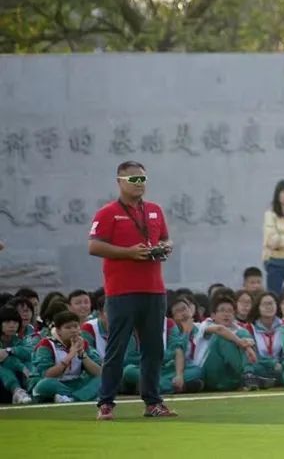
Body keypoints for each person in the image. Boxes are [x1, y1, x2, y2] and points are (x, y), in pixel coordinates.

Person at [88, 160, 176, 420]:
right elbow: (93, 246)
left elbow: (164, 238)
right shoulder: (107, 212)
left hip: (154, 289)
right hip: (121, 291)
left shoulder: (155, 210)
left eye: (143, 179)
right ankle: (106, 403)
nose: (140, 184)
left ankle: (153, 403)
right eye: (133, 179)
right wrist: (128, 253)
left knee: (153, 349)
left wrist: (165, 247)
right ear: (119, 181)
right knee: (117, 347)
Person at [192, 293, 272, 391]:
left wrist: (247, 346)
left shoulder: (240, 330)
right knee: (222, 337)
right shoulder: (204, 325)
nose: (226, 314)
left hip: (232, 376)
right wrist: (242, 344)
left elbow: (250, 349)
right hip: (211, 372)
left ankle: (248, 376)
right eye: (222, 310)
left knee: (267, 365)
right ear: (213, 315)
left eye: (230, 311)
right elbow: (220, 330)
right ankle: (248, 375)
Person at [30, 311, 102, 403]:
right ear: (58, 330)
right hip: (56, 383)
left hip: (75, 383)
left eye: (76, 326)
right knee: (44, 384)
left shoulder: (82, 343)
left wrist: (82, 354)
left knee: (103, 379)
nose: (73, 330)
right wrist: (70, 355)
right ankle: (81, 396)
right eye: (68, 327)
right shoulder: (47, 344)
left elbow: (98, 372)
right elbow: (47, 375)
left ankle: (71, 398)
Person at [0, 305, 34, 404]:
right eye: (7, 322)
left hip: (18, 374)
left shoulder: (19, 340)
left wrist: (10, 350)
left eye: (15, 322)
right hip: (4, 377)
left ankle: (31, 389)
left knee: (28, 361)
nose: (12, 325)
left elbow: (30, 352)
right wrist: (21, 367)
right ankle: (17, 391)